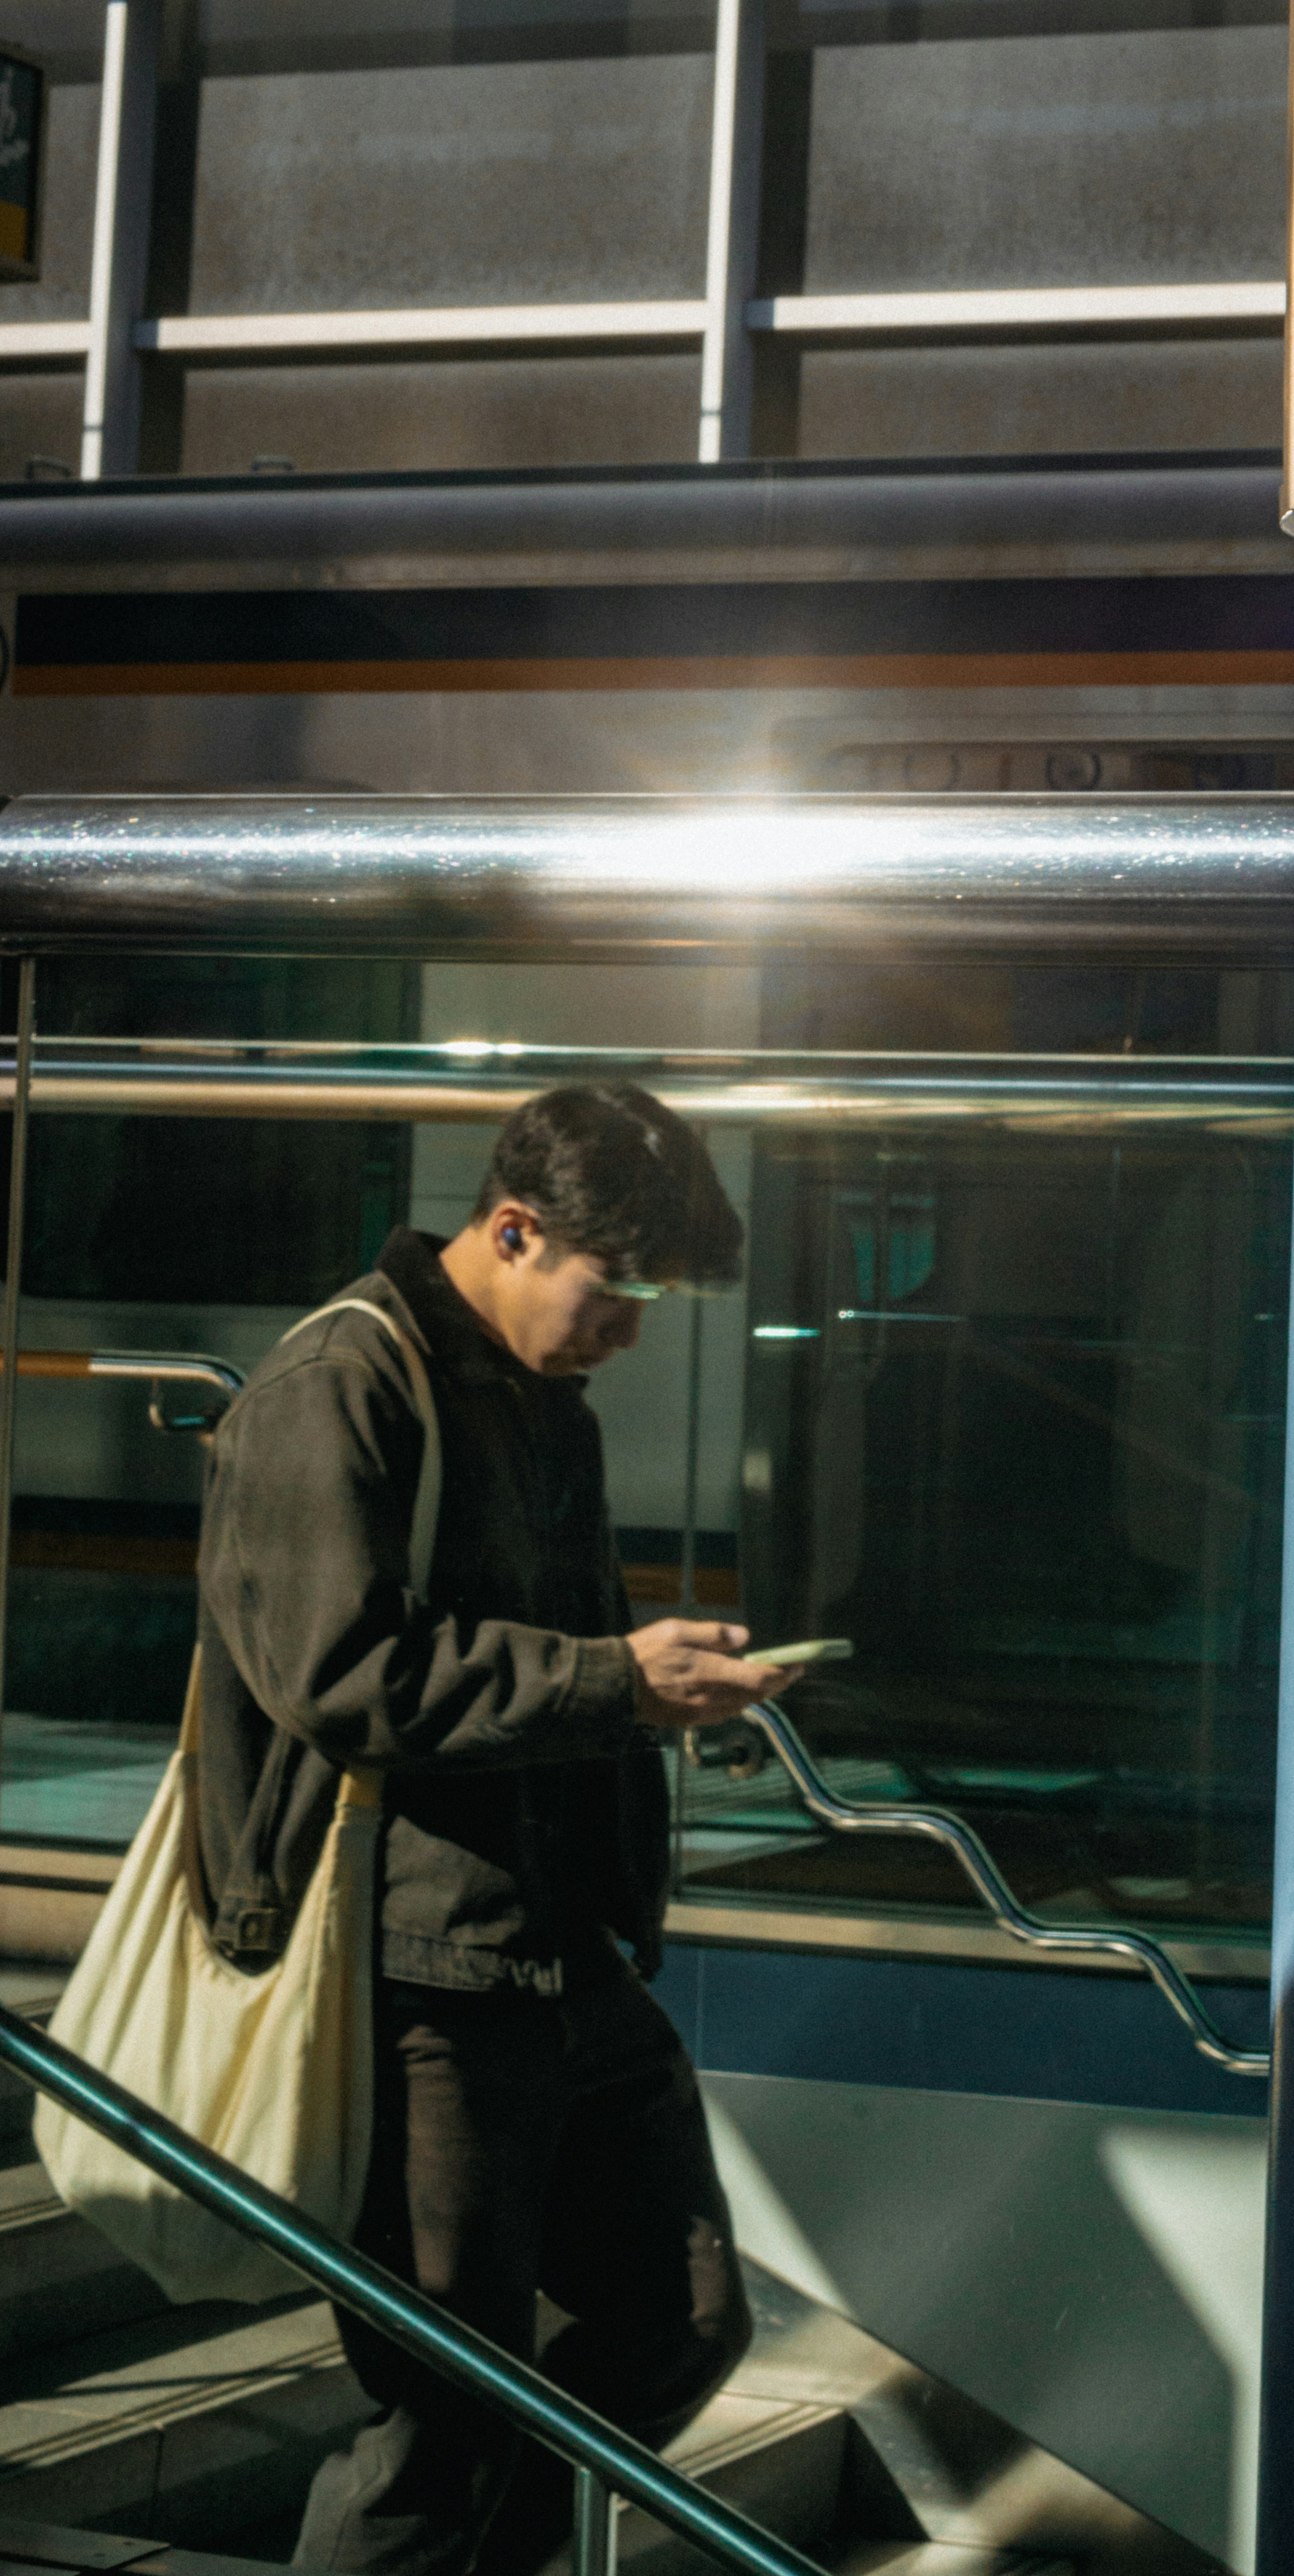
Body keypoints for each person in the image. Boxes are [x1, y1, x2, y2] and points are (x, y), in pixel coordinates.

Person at [194, 1082, 799, 2576]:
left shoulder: (543, 1403)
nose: (632, 1330)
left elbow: (555, 1674)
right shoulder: (341, 1383)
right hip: (418, 1973)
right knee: (442, 2409)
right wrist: (611, 1678)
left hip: (564, 1950)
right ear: (513, 1228)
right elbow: (335, 1674)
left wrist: (655, 1690)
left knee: (685, 2317)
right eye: (618, 1289)